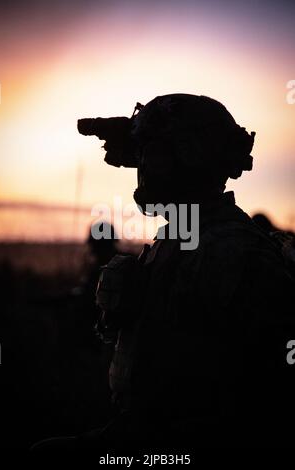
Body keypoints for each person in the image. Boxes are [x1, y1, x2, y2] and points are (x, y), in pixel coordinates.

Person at [34, 94, 295, 450]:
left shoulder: (232, 249)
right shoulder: (180, 235)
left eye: (154, 155)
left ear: (193, 159)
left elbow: (266, 399)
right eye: (140, 154)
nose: (142, 166)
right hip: (143, 430)